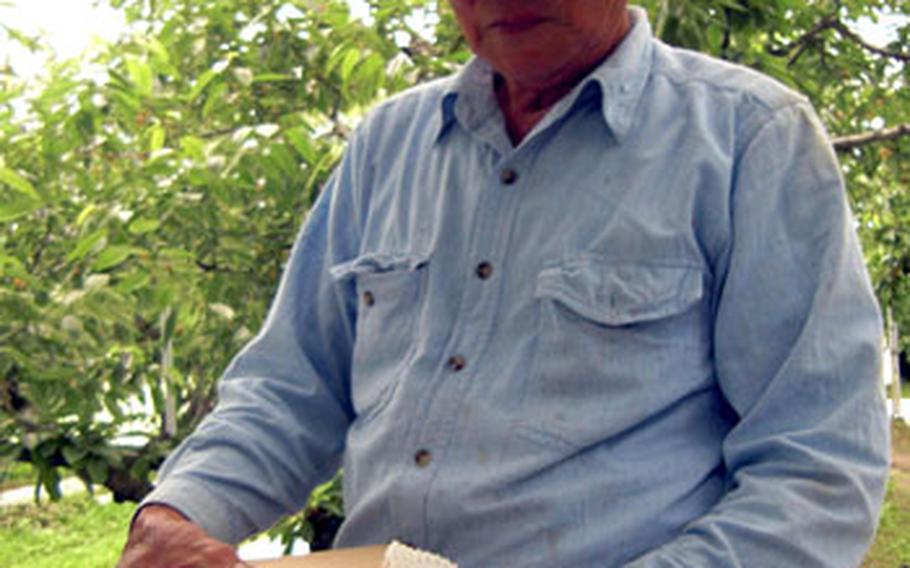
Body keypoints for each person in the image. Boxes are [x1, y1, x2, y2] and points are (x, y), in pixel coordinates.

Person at [118, 1, 890, 567]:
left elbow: (817, 470)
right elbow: (292, 388)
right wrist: (181, 510)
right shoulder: (389, 144)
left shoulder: (750, 137)